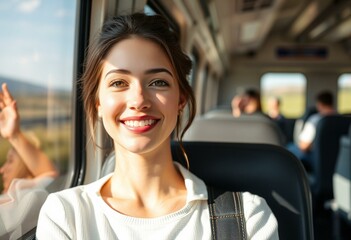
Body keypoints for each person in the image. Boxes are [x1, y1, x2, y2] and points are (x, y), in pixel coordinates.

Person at [36, 13, 278, 239]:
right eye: (119, 82)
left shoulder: (249, 217)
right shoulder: (65, 215)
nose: (139, 100)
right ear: (98, 102)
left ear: (181, 100)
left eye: (158, 82)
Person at [0, 83, 58, 239]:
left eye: (10, 161)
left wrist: (15, 136)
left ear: (29, 175)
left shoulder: (27, 200)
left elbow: (48, 175)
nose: (2, 169)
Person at [287, 90, 336, 168]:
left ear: (319, 104)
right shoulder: (343, 119)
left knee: (289, 147)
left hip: (316, 159)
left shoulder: (315, 120)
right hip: (337, 159)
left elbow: (304, 146)